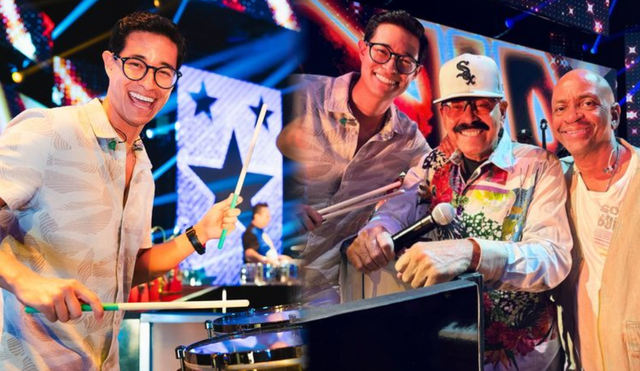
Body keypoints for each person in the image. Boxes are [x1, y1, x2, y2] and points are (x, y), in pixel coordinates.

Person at [0, 12, 240, 370]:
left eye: (164, 72)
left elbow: (131, 269)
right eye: (136, 65)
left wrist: (199, 233)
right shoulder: (48, 132)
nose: (149, 83)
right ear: (110, 64)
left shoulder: (143, 168)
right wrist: (24, 281)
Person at [349, 53, 572, 370]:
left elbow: (553, 259)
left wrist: (471, 253)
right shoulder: (430, 165)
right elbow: (396, 211)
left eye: (481, 104)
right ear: (442, 113)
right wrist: (376, 231)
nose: (468, 116)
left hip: (525, 359)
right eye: (455, 105)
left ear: (502, 109)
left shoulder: (538, 166)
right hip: (449, 350)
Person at [276, 10, 430, 305]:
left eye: (405, 61)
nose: (391, 67)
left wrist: (385, 225)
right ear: (363, 49)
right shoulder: (303, 95)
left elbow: (431, 184)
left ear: (415, 72)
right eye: (382, 52)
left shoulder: (409, 140)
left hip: (326, 290)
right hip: (262, 274)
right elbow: (241, 163)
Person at [550, 69, 640, 370]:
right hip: (584, 358)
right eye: (561, 108)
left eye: (587, 103)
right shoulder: (555, 181)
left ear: (614, 115)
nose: (572, 116)